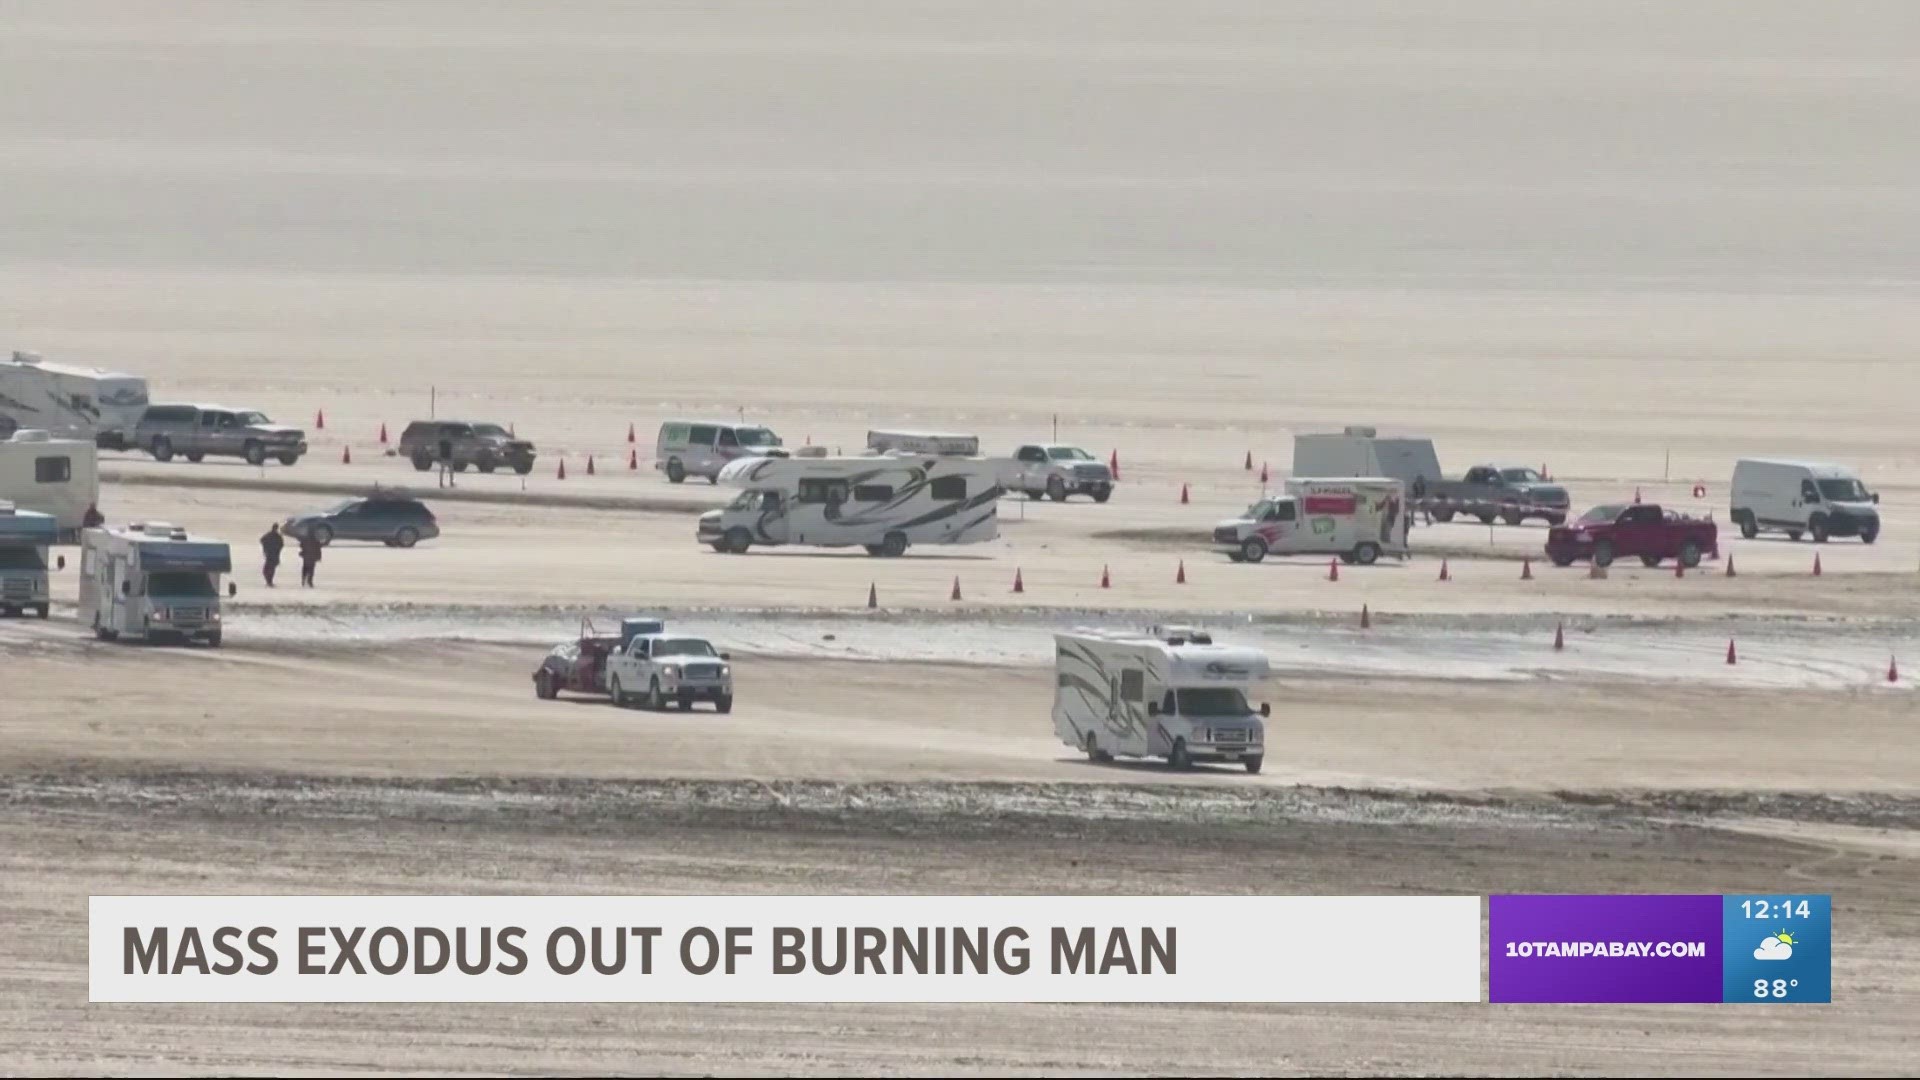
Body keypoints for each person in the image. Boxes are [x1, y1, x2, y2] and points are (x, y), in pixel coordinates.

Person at [260, 523, 284, 587]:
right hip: (274, 554)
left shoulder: (270, 535)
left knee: (267, 569)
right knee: (270, 569)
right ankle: (269, 581)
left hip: (270, 554)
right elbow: (281, 545)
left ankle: (269, 581)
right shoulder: (278, 536)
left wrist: (266, 548)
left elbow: (262, 540)